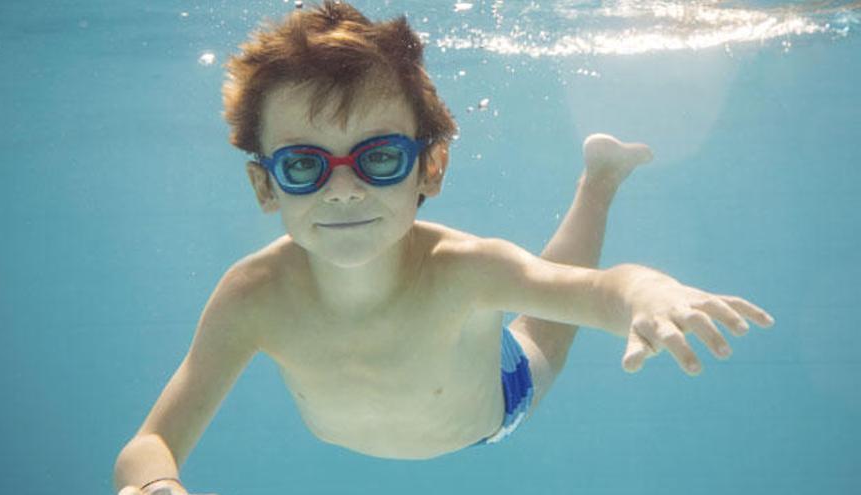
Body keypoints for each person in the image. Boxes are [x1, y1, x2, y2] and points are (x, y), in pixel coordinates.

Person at [113, 2, 775, 494]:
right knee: (538, 298)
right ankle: (599, 174)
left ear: (430, 167)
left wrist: (649, 294)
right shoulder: (252, 295)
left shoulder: (465, 269)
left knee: (548, 325)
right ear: (264, 185)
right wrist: (153, 486)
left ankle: (599, 180)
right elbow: (150, 441)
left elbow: (600, 294)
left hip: (497, 399)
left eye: (377, 157)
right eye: (303, 166)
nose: (341, 190)